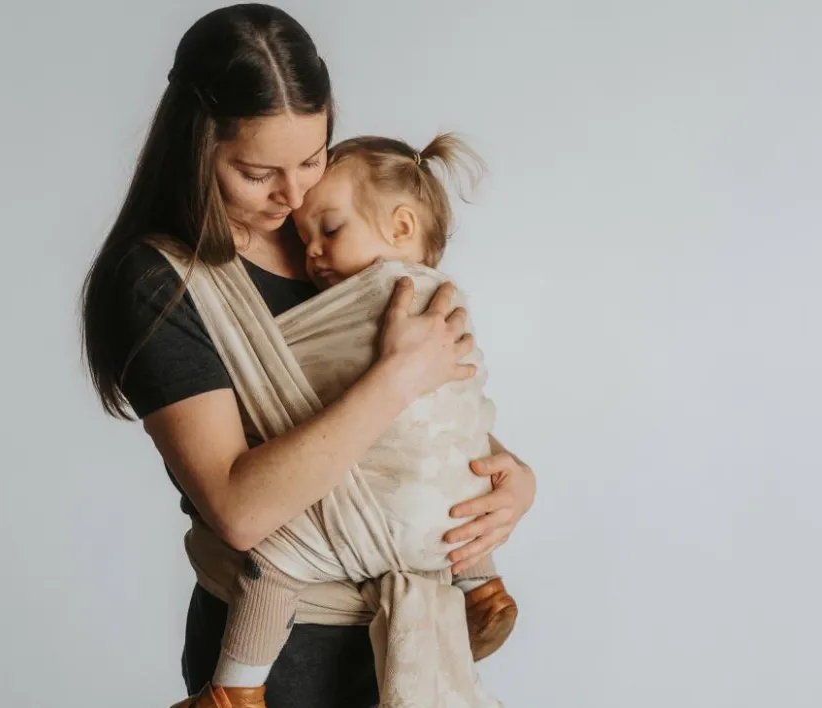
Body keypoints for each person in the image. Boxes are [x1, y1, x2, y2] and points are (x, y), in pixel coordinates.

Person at [80, 5, 536, 708]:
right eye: (257, 172)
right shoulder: (159, 282)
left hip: (410, 634)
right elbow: (239, 509)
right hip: (276, 657)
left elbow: (422, 400)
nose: (293, 196)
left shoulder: (332, 227)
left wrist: (508, 477)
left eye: (311, 158)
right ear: (198, 149)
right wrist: (396, 377)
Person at [185, 131, 518, 707]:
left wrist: (518, 475)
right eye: (304, 238)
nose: (311, 252)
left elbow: (422, 406)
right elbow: (448, 422)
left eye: (331, 230)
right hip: (439, 529)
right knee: (453, 482)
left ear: (401, 227)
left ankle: (235, 690)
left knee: (273, 558)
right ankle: (483, 587)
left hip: (376, 528)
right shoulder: (443, 301)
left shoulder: (386, 301)